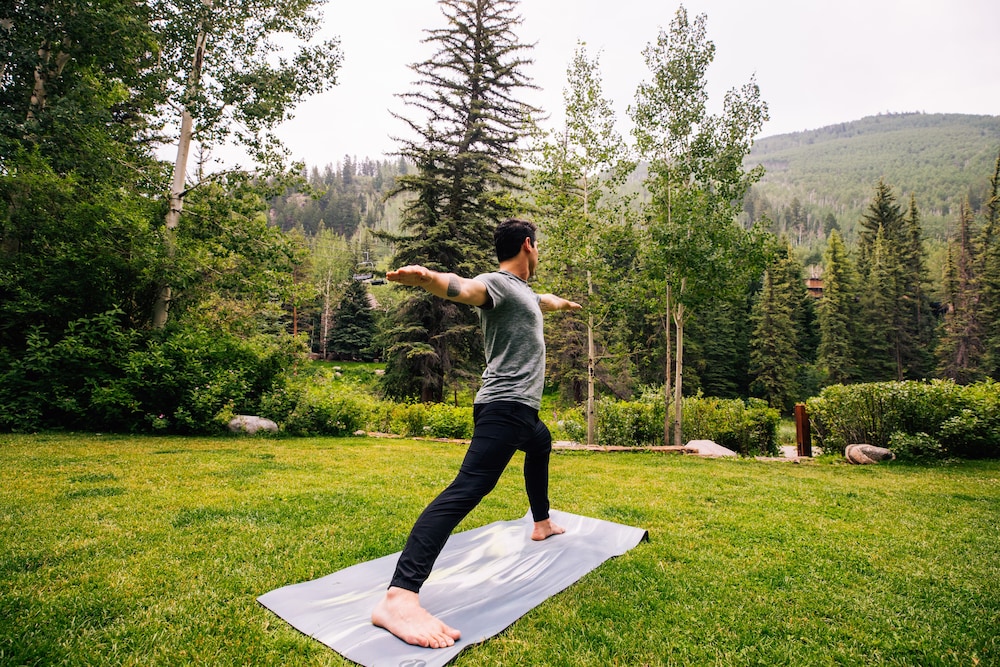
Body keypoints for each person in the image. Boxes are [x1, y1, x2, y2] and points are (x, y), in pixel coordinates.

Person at [371, 218, 582, 649]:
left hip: (522, 413)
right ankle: (399, 595)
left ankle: (541, 523)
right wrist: (429, 279)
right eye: (538, 248)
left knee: (540, 444)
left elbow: (545, 299)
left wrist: (563, 304)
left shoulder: (525, 293)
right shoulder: (497, 284)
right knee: (468, 489)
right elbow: (464, 288)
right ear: (529, 246)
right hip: (504, 407)